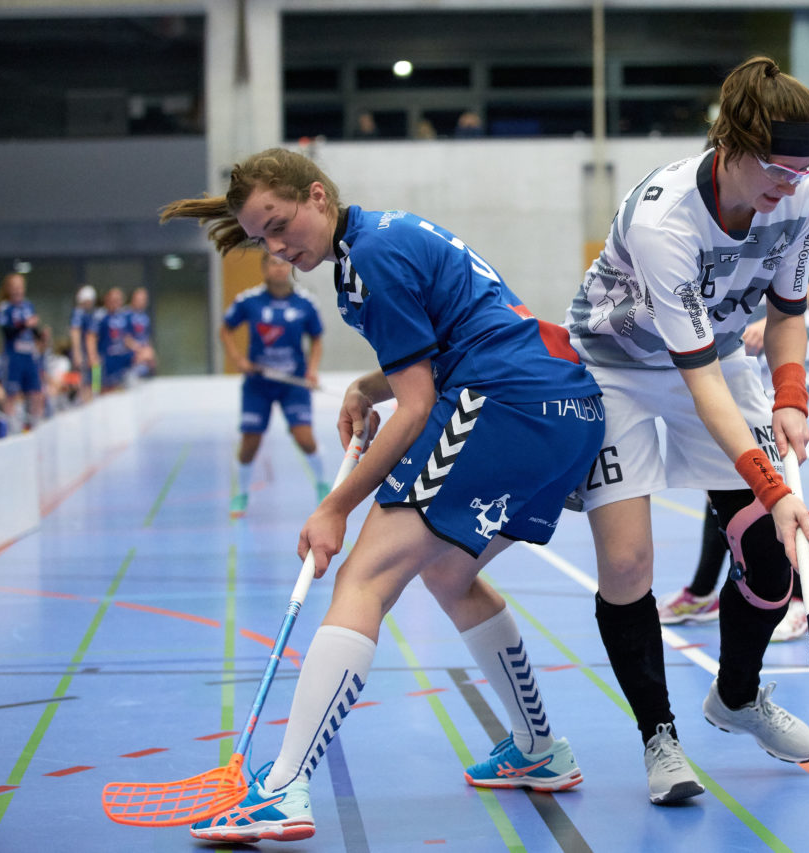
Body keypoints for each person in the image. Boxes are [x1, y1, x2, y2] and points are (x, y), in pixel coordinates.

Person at [160, 147, 604, 843]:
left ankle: (282, 789)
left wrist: (335, 506)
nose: (276, 246)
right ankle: (540, 749)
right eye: (261, 239)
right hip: (562, 405)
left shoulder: (370, 256)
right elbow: (433, 354)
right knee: (450, 573)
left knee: (364, 576)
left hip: (505, 401)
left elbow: (419, 406)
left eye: (279, 225)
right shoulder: (379, 238)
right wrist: (368, 386)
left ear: (315, 194)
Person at [565, 56, 809, 805]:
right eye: (779, 168)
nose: (793, 184)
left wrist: (792, 396)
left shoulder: (799, 192)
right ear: (732, 145)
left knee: (775, 556)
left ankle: (736, 697)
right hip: (615, 368)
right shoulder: (664, 219)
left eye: (807, 168)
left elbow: (788, 310)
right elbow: (700, 378)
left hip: (716, 361)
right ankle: (660, 737)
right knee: (628, 562)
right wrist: (772, 484)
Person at [655, 242, 809, 643]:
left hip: (789, 374)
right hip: (738, 372)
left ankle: (802, 601)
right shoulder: (694, 237)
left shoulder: (778, 225)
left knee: (777, 485)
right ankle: (704, 592)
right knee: (726, 481)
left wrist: (773, 317)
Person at [220, 255, 328, 518]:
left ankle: (323, 487)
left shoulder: (305, 302)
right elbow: (225, 329)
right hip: (258, 384)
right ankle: (241, 494)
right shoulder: (248, 300)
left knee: (304, 438)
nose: (279, 268)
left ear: (290, 267)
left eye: (283, 264)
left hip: (294, 384)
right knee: (250, 442)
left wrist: (312, 371)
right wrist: (238, 360)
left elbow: (316, 339)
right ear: (265, 269)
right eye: (273, 264)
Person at [0, 272, 45, 430]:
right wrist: (25, 324)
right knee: (11, 394)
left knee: (36, 393)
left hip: (29, 356)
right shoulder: (5, 307)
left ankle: (34, 427)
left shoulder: (28, 305)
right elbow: (7, 331)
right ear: (9, 289)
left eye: (20, 287)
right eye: (14, 287)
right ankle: (11, 429)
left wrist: (41, 335)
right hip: (13, 357)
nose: (18, 290)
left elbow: (33, 329)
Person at [86, 287, 134, 394]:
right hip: (103, 357)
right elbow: (91, 337)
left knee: (117, 389)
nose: (115, 303)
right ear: (107, 300)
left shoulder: (123, 316)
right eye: (113, 300)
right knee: (98, 388)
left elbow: (126, 337)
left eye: (118, 300)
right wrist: (92, 356)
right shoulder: (100, 315)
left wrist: (138, 348)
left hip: (118, 358)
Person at [69, 284, 96, 402]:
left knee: (91, 383)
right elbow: (75, 332)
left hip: (87, 354)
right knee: (83, 383)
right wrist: (77, 353)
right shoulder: (78, 313)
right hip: (83, 354)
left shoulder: (87, 314)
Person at [127, 287, 157, 378]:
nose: (142, 302)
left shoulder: (145, 317)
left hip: (144, 356)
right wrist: (139, 350)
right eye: (139, 299)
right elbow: (124, 338)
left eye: (144, 299)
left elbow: (147, 337)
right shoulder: (126, 315)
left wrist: (150, 352)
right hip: (132, 355)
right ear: (133, 299)